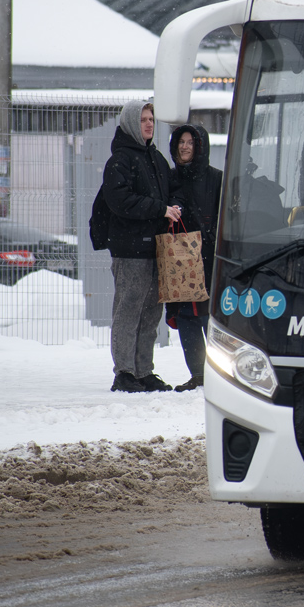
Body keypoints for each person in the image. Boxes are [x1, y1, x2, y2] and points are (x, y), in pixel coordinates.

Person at [100, 100, 180, 393]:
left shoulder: (156, 159)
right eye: (144, 119)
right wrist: (160, 209)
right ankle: (124, 372)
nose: (149, 123)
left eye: (152, 119)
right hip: (130, 249)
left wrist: (174, 208)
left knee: (151, 312)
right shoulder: (120, 161)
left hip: (156, 249)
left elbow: (169, 195)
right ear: (132, 123)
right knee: (128, 309)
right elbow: (120, 201)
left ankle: (143, 371)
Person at [166, 124, 222, 392]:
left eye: (190, 142)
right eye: (181, 141)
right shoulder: (170, 178)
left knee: (212, 318)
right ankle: (198, 375)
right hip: (180, 261)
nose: (184, 146)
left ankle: (222, 375)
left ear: (200, 146)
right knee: (187, 315)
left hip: (210, 260)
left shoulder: (216, 179)